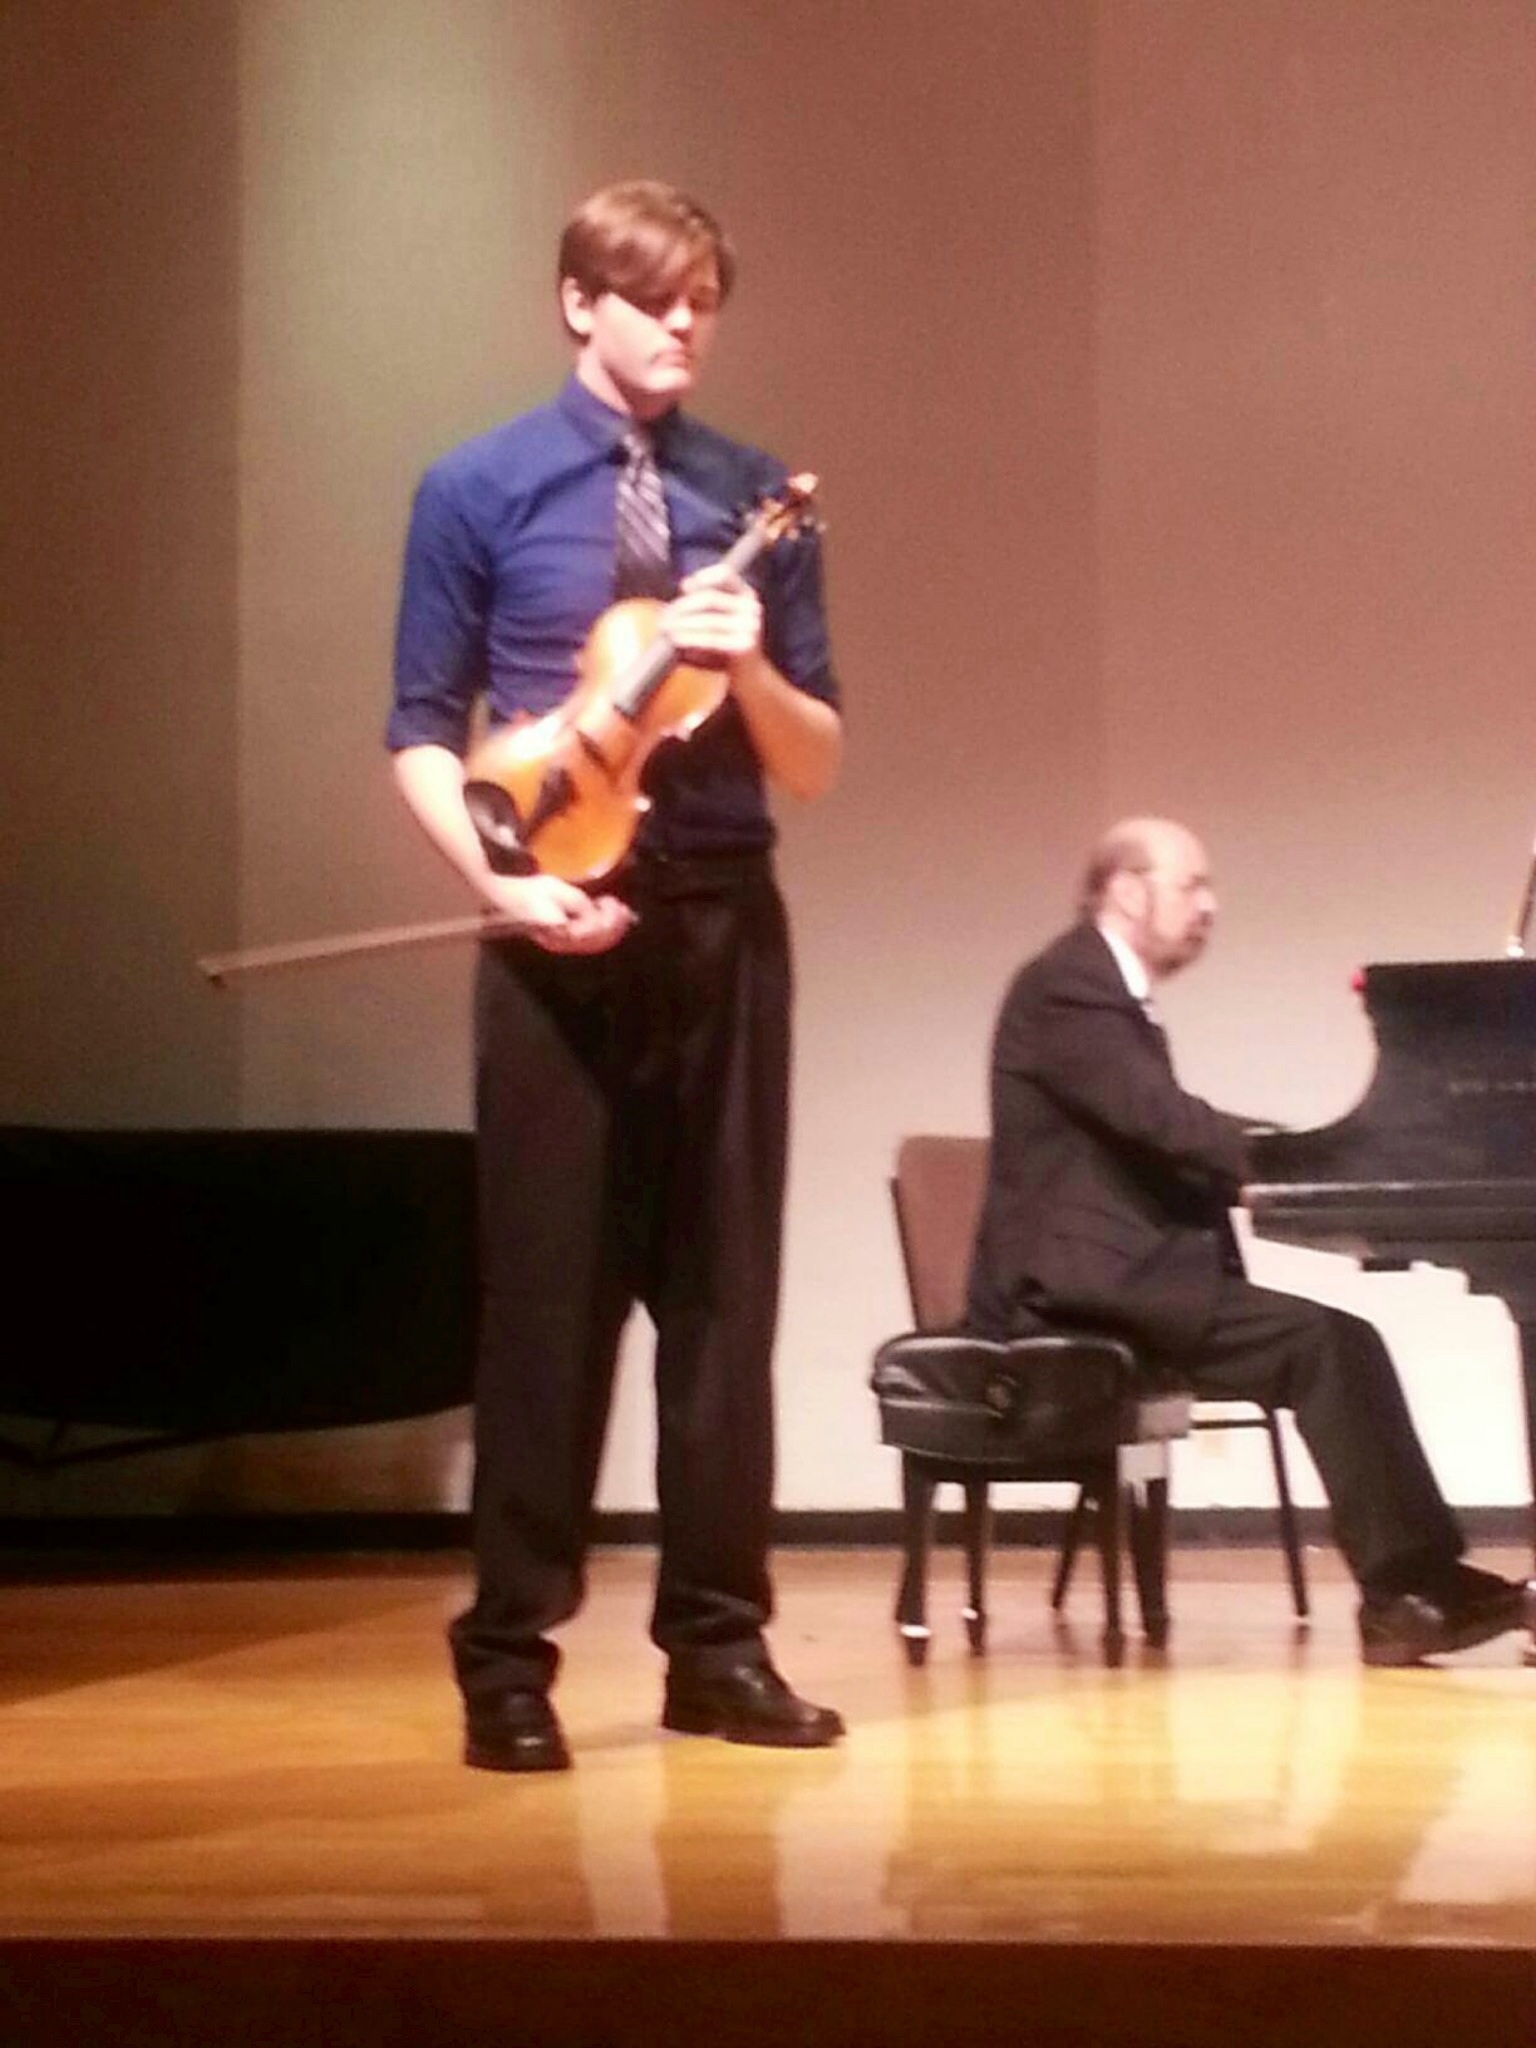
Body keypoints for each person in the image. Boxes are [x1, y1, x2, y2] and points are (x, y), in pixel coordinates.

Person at [387, 181, 844, 1770]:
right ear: (580, 301)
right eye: (655, 299)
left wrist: (750, 661)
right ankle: (507, 1660)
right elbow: (421, 733)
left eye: (703, 301)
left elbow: (814, 760)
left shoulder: (755, 499)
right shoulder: (479, 485)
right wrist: (503, 886)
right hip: (554, 935)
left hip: (724, 928)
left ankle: (718, 1649)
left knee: (725, 1309)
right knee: (547, 1312)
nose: (684, 326)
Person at [967, 816, 1533, 1666]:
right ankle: (1404, 1594)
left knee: (1338, 1343)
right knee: (1329, 1346)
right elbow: (1160, 1121)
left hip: (1121, 1271)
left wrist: (1297, 1156)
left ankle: (1419, 1583)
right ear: (1127, 890)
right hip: (1077, 1286)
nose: (1210, 906)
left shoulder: (1100, 989)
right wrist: (1293, 1160)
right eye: (1192, 885)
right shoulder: (1068, 986)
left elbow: (1158, 1129)